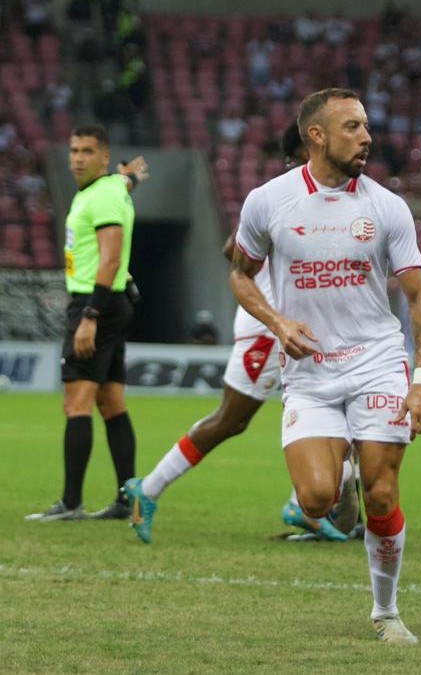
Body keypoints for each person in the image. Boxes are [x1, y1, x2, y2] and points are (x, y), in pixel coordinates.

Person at [219, 88, 421, 645]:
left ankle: (386, 612)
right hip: (311, 374)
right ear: (315, 135)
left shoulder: (386, 207)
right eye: (352, 127)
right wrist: (277, 322)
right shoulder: (268, 201)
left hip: (376, 363)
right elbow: (241, 275)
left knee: (383, 493)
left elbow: (419, 297)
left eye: (366, 126)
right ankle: (337, 468)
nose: (366, 137)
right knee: (317, 500)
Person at [121, 123, 359, 544]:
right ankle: (150, 488)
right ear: (311, 149)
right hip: (270, 328)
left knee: (346, 403)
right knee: (231, 420)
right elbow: (233, 249)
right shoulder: (283, 195)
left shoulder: (328, 196)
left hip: (301, 326)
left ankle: (308, 503)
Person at [25, 124, 140, 522]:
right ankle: (128, 499)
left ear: (103, 157)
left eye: (87, 151)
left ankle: (71, 502)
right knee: (112, 404)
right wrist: (131, 176)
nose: (77, 158)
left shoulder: (103, 195)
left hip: (96, 301)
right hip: (115, 299)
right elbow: (122, 185)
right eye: (73, 150)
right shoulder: (109, 189)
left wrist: (90, 315)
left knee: (77, 404)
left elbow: (109, 258)